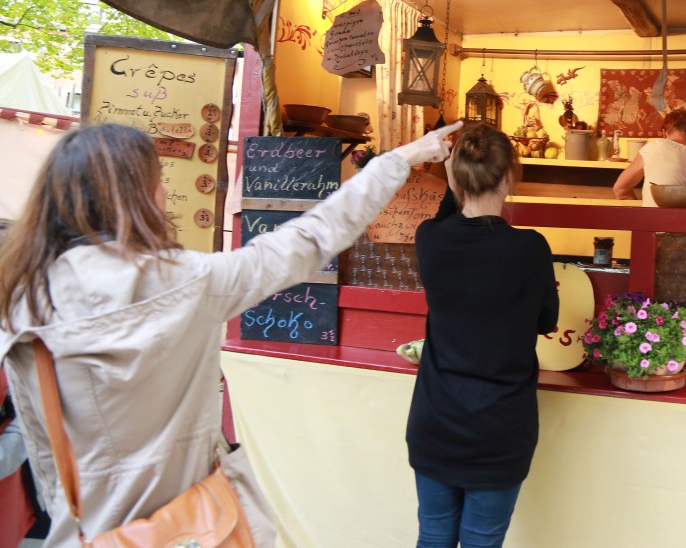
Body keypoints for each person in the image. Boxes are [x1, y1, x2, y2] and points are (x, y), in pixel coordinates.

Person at [0, 120, 461, 547]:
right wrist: (400, 159)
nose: (164, 192)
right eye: (157, 180)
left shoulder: (23, 299)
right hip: (188, 530)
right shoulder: (185, 283)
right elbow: (311, 238)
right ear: (135, 197)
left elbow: (41, 450)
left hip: (84, 532)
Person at [407, 123, 559, 548]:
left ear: (457, 177)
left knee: (432, 537)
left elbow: (445, 219)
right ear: (509, 175)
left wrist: (452, 178)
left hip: (435, 422)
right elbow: (546, 320)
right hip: (500, 428)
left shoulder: (430, 240)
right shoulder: (530, 248)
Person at [612, 107, 686, 206]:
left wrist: (640, 212)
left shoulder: (656, 146)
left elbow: (620, 189)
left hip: (653, 219)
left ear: (664, 133)